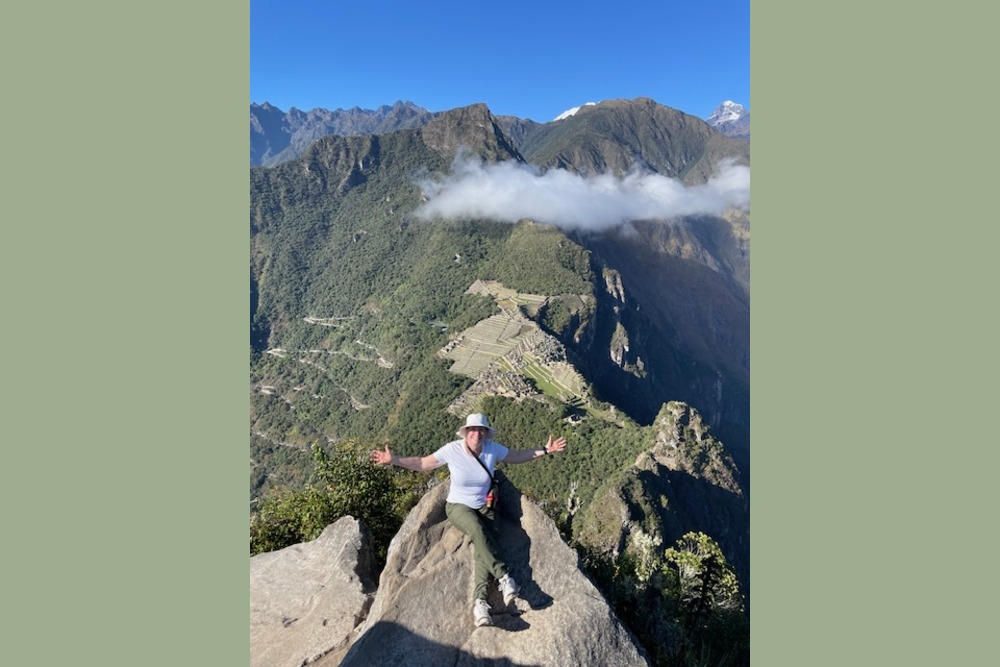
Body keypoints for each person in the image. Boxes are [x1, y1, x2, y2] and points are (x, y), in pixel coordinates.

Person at [369, 412, 567, 627]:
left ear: (485, 433)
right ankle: (504, 577)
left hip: (486, 507)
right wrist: (394, 460)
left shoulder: (492, 449)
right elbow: (423, 463)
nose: (477, 433)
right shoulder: (452, 450)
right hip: (458, 506)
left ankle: (480, 604)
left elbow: (516, 456)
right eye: (473, 429)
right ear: (465, 432)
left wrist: (546, 450)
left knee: (484, 549)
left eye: (481, 430)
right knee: (479, 532)